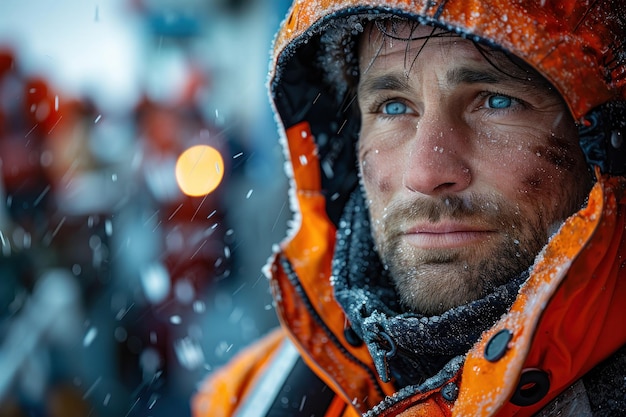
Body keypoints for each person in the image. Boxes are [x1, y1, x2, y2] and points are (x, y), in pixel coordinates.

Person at [193, 0, 626, 416]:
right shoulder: (247, 398)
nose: (425, 172)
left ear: (602, 139)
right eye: (394, 107)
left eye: (496, 100)